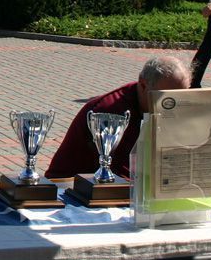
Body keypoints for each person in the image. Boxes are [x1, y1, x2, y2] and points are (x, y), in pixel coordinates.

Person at [44, 56, 191, 180]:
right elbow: (123, 175)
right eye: (167, 98)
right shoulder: (110, 112)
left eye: (181, 97)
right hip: (68, 188)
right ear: (143, 84)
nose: (174, 105)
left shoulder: (153, 104)